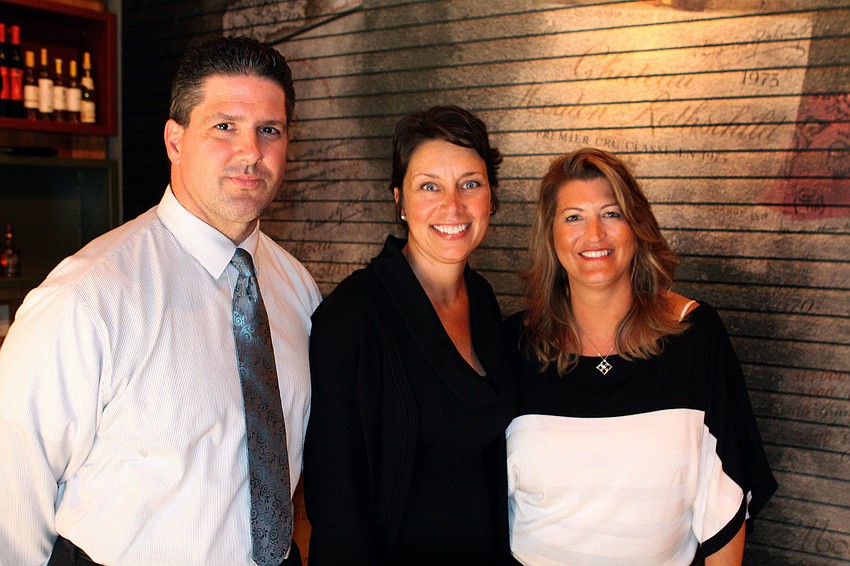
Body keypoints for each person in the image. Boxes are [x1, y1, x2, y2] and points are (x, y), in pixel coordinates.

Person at [0, 36, 320, 565]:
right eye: (224, 126)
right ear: (175, 140)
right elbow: (11, 497)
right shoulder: (85, 297)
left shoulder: (296, 290)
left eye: (269, 130)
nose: (250, 152)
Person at [504, 148, 777, 565]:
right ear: (551, 235)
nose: (594, 234)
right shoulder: (512, 345)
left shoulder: (695, 337)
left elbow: (727, 494)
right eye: (573, 216)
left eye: (611, 214)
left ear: (636, 225)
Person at [303, 105, 517, 565]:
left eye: (470, 184)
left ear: (491, 198)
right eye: (429, 186)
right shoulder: (352, 317)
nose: (453, 205)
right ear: (399, 200)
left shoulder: (481, 299)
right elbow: (335, 499)